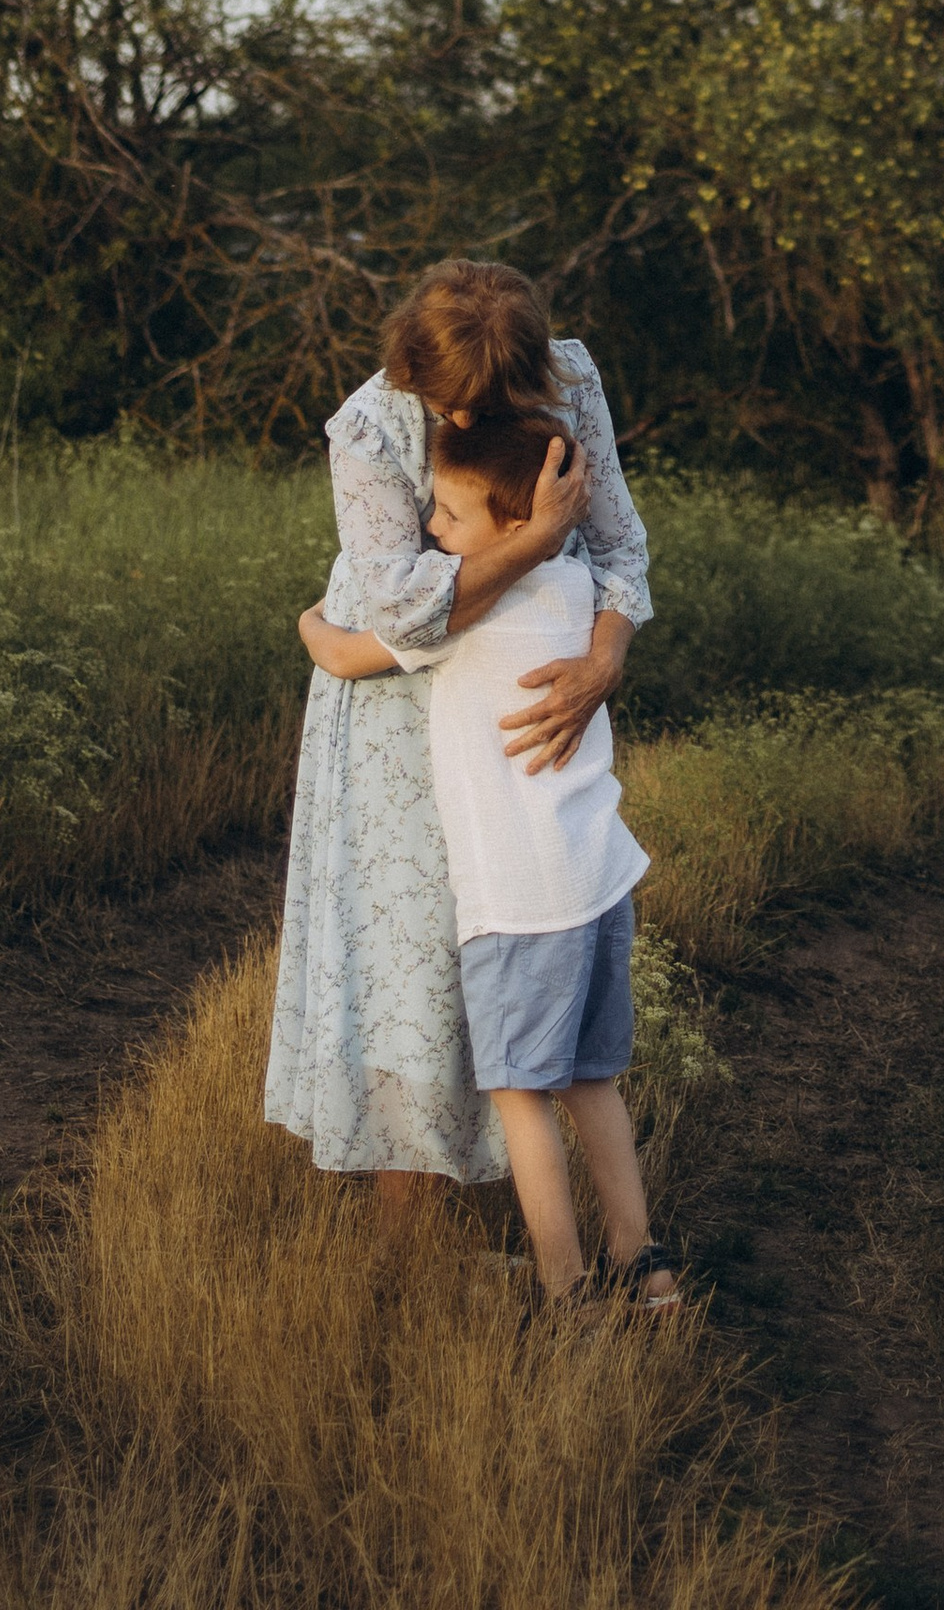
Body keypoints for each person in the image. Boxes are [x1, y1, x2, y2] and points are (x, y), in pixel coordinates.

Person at [262, 260, 653, 1210]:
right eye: (452, 404)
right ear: (410, 374)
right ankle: (416, 1224)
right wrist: (529, 540)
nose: (469, 422)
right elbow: (403, 610)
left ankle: (523, 1210)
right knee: (414, 965)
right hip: (397, 722)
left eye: (491, 401)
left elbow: (618, 549)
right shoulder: (366, 426)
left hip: (519, 693)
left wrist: (604, 666)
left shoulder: (573, 382)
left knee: (523, 939)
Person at [301, 408, 679, 1309]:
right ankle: (645, 1263)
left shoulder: (463, 611)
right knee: (594, 1079)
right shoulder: (579, 589)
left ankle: (565, 1287)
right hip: (599, 879)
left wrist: (312, 616)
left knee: (520, 1098)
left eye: (452, 518)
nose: (434, 530)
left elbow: (345, 655)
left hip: (519, 902)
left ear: (517, 525)